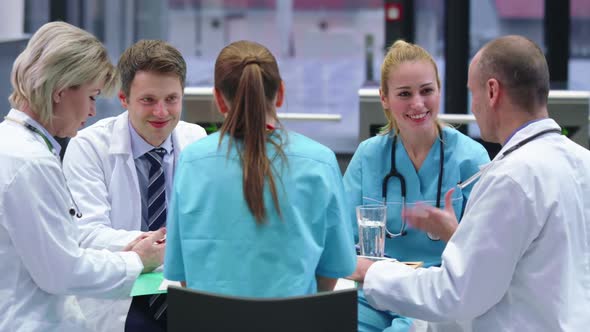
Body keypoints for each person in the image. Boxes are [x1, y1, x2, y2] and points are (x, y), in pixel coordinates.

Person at [351, 35, 590, 331]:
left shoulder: (511, 179)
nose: (473, 108)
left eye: (472, 94)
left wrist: (373, 272)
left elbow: (456, 294)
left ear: (492, 91)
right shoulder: (583, 162)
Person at [0, 21, 166, 332]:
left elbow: (60, 241)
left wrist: (129, 245)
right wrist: (137, 261)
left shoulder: (13, 146)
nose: (92, 111)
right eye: (91, 96)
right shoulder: (30, 162)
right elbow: (62, 271)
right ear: (61, 90)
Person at [163, 40, 356, 297]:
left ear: (219, 100)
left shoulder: (192, 161)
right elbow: (333, 270)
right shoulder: (320, 162)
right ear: (281, 93)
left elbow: (182, 274)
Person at [343, 40, 489, 331]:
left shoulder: (470, 159)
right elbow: (341, 242)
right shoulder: (368, 156)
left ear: (439, 89)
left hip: (436, 294)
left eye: (426, 91)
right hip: (374, 292)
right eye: (404, 94)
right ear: (384, 98)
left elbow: (485, 254)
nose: (418, 104)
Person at [62, 40, 207, 331]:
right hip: (121, 296)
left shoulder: (197, 140)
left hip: (185, 290)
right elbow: (87, 233)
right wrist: (162, 247)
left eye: (172, 99)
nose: (162, 112)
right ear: (124, 99)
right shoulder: (88, 147)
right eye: (148, 100)